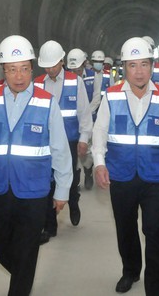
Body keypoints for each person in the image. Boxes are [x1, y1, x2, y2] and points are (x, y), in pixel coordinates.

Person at [0, 35, 73, 296]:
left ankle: (19, 288)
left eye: (23, 68)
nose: (19, 76)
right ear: (3, 70)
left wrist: (62, 189)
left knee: (27, 247)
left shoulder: (46, 102)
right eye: (11, 69)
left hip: (33, 191)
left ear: (32, 68)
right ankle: (22, 275)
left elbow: (60, 150)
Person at [93, 37, 159, 295]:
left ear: (152, 66)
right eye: (133, 65)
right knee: (125, 227)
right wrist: (99, 163)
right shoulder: (112, 95)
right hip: (121, 173)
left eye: (144, 64)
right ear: (124, 67)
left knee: (155, 229)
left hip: (154, 175)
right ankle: (130, 271)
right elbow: (100, 131)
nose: (139, 71)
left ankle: (158, 286)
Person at [35, 40, 92, 243]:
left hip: (69, 140)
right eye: (46, 65)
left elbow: (84, 114)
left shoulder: (75, 83)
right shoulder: (37, 83)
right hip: (45, 142)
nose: (50, 69)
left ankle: (73, 201)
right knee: (47, 182)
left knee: (70, 179)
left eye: (53, 64)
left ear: (61, 61)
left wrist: (84, 138)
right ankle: (49, 226)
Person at [67, 48, 96, 189]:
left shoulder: (92, 76)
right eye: (72, 70)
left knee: (87, 152)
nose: (75, 73)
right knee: (75, 155)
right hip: (73, 122)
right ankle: (76, 181)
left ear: (84, 64)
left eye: (77, 70)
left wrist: (85, 113)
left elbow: (96, 97)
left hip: (90, 119)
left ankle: (89, 172)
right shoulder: (67, 80)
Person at [90, 49, 111, 118]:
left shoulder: (108, 74)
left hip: (104, 107)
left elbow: (112, 90)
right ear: (92, 62)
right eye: (96, 61)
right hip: (90, 108)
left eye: (100, 62)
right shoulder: (88, 75)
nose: (98, 63)